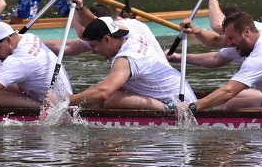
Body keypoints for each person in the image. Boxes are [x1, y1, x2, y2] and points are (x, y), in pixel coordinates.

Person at [174, 11, 262, 112]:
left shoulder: (260, 59)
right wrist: (180, 55)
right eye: (227, 38)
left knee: (224, 103)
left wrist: (193, 107)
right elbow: (216, 55)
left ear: (246, 31)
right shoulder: (261, 28)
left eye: (231, 38)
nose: (228, 43)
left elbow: (229, 91)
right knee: (222, 106)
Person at [48, 16, 196, 110]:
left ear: (107, 39)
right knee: (93, 91)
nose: (92, 51)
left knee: (109, 98)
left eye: (93, 45)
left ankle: (167, 109)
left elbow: (103, 93)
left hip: (181, 104)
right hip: (179, 92)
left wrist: (62, 102)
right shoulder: (132, 31)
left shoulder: (125, 59)